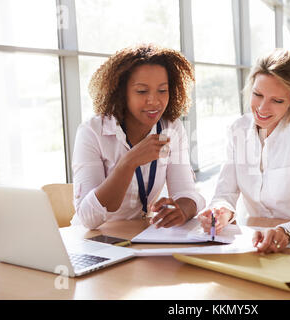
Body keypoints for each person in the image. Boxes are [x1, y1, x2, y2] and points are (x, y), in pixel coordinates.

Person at [199, 49, 290, 253]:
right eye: (258, 95)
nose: (262, 108)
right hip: (252, 243)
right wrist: (221, 211)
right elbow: (225, 192)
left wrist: (286, 231)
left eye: (277, 101)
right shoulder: (238, 130)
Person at [71, 43, 205, 230]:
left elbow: (187, 192)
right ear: (121, 92)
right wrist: (129, 162)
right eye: (142, 91)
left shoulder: (171, 128)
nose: (154, 101)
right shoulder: (92, 132)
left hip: (139, 237)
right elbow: (87, 219)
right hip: (93, 239)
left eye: (162, 90)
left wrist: (181, 210)